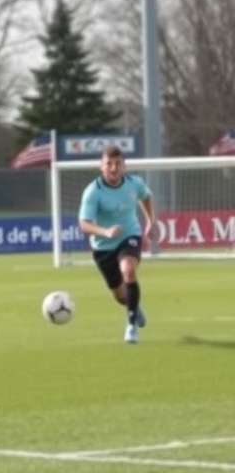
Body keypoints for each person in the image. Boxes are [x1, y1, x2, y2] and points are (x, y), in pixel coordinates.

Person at [78, 145, 155, 344]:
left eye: (118, 164)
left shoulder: (134, 183)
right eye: (109, 164)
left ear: (124, 166)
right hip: (103, 247)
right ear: (101, 167)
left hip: (129, 235)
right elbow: (84, 224)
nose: (113, 168)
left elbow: (146, 196)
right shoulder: (93, 191)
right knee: (120, 296)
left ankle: (131, 326)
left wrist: (150, 221)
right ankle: (134, 307)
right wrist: (105, 231)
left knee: (129, 270)